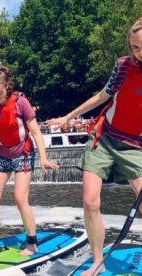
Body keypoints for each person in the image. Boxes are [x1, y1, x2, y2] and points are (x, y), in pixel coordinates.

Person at [45, 18, 142, 276]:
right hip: (105, 138)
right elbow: (102, 96)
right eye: (134, 47)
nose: (138, 54)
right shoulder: (122, 66)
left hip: (135, 147)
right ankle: (98, 261)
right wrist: (67, 117)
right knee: (90, 201)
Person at [0, 66, 59, 256]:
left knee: (20, 198)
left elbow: (36, 132)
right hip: (2, 155)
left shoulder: (20, 102)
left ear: (7, 86)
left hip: (23, 153)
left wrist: (44, 157)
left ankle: (32, 242)